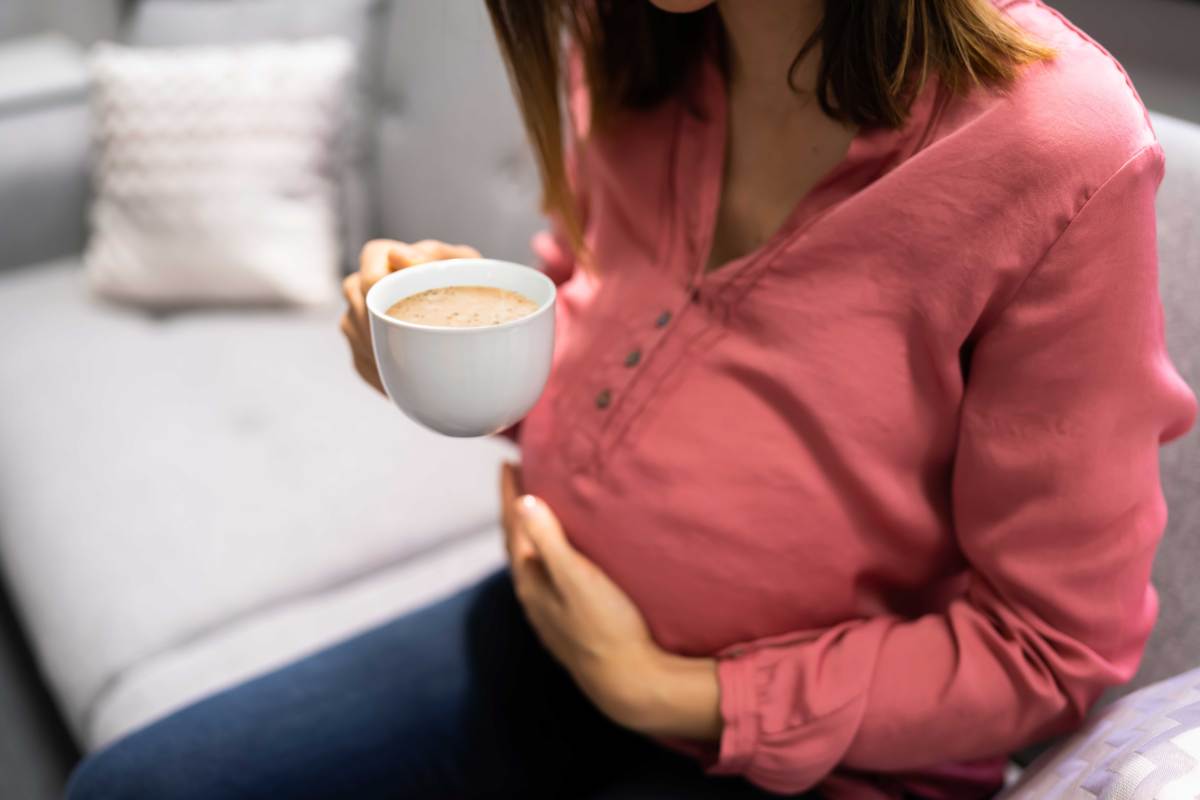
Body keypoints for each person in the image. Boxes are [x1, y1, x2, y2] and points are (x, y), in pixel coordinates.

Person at [67, 0, 1198, 798]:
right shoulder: (636, 32)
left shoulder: (1056, 150)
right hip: (553, 630)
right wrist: (468, 341)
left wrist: (678, 692)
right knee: (135, 785)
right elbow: (623, 326)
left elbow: (1049, 648)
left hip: (827, 765)